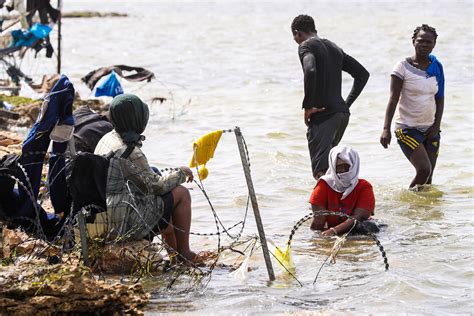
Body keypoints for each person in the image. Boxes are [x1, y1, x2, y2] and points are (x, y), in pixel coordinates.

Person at [94, 94, 200, 263]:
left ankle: (175, 257)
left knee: (169, 210)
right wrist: (181, 173)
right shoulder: (128, 151)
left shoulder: (108, 138)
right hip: (123, 219)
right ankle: (184, 253)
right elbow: (156, 186)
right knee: (181, 193)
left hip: (106, 210)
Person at [291, 14, 370, 180]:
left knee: (321, 173)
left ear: (297, 33)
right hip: (341, 116)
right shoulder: (334, 47)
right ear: (314, 30)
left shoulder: (305, 46)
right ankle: (339, 205)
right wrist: (345, 105)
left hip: (323, 116)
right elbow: (362, 74)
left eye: (295, 37)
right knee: (333, 172)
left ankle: (326, 206)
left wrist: (308, 106)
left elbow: (310, 70)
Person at [380, 24, 444, 189]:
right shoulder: (402, 67)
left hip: (430, 129)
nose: (424, 45)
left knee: (428, 179)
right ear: (413, 42)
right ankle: (408, 203)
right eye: (420, 41)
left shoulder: (436, 67)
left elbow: (440, 98)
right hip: (407, 129)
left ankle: (421, 212)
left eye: (428, 42)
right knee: (423, 170)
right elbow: (393, 99)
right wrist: (386, 129)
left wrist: (436, 126)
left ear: (434, 44)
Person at [309, 145, 375, 236]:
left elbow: (359, 216)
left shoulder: (364, 187)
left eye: (347, 167)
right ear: (333, 167)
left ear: (354, 166)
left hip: (357, 229)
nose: (343, 171)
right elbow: (318, 221)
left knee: (370, 226)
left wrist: (334, 231)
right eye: (339, 167)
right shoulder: (323, 185)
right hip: (332, 230)